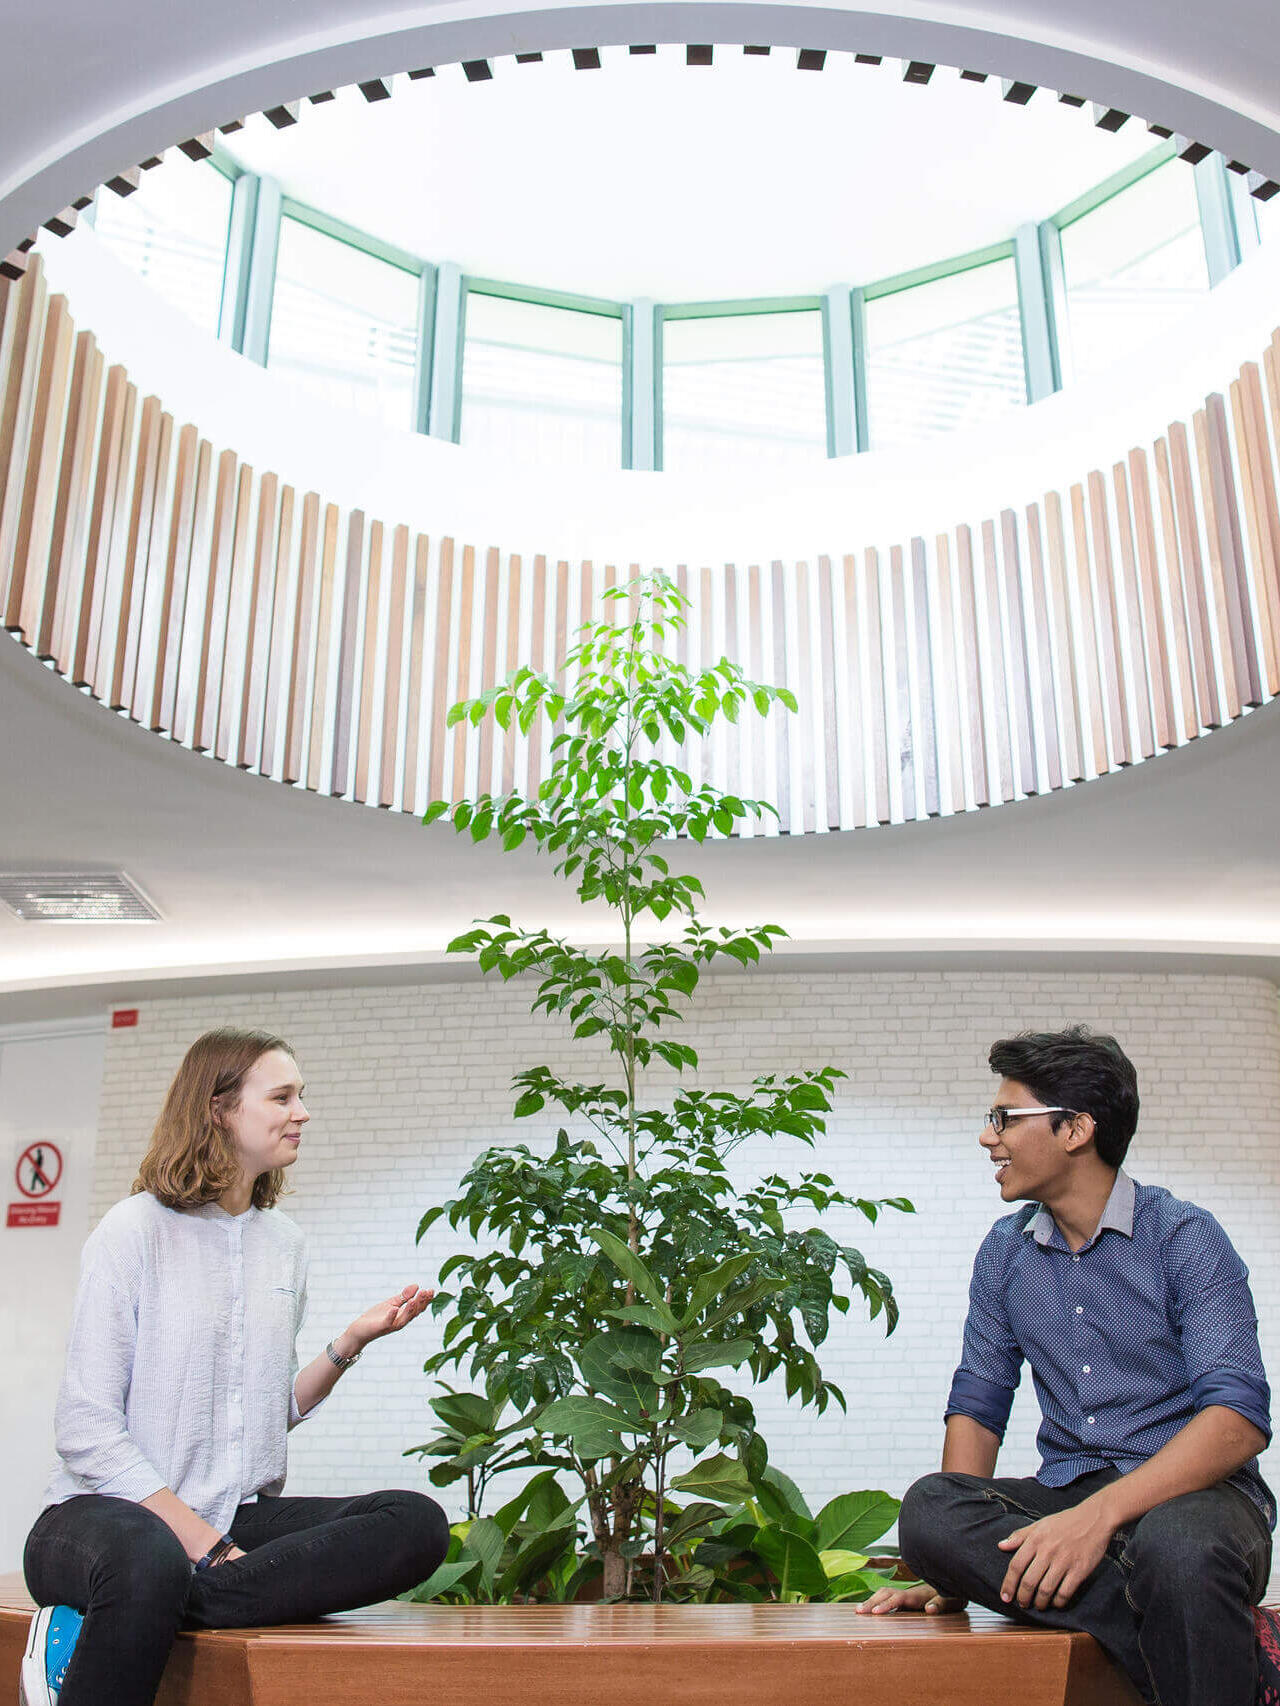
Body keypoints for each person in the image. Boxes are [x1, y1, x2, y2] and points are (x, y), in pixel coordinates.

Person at [20, 1027, 450, 1706]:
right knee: (149, 1561)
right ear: (219, 1109)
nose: (301, 1111)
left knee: (414, 1523)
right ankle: (102, 1630)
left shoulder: (285, 1246)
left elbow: (259, 1413)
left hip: (227, 1512)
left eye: (300, 1096)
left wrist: (352, 1341)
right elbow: (84, 1428)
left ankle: (146, 1610)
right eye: (282, 1096)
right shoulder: (133, 1231)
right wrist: (210, 1550)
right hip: (102, 1517)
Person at [857, 1025, 1275, 1706]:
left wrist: (1099, 1519)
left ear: (1076, 1129)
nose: (989, 1138)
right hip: (1072, 1493)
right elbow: (978, 1404)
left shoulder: (1185, 1239)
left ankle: (1170, 1595)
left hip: (1199, 1501)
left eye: (1005, 1118)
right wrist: (954, 1571)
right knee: (931, 1510)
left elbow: (1237, 1420)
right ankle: (1226, 1660)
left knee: (1177, 1549)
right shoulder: (1005, 1253)